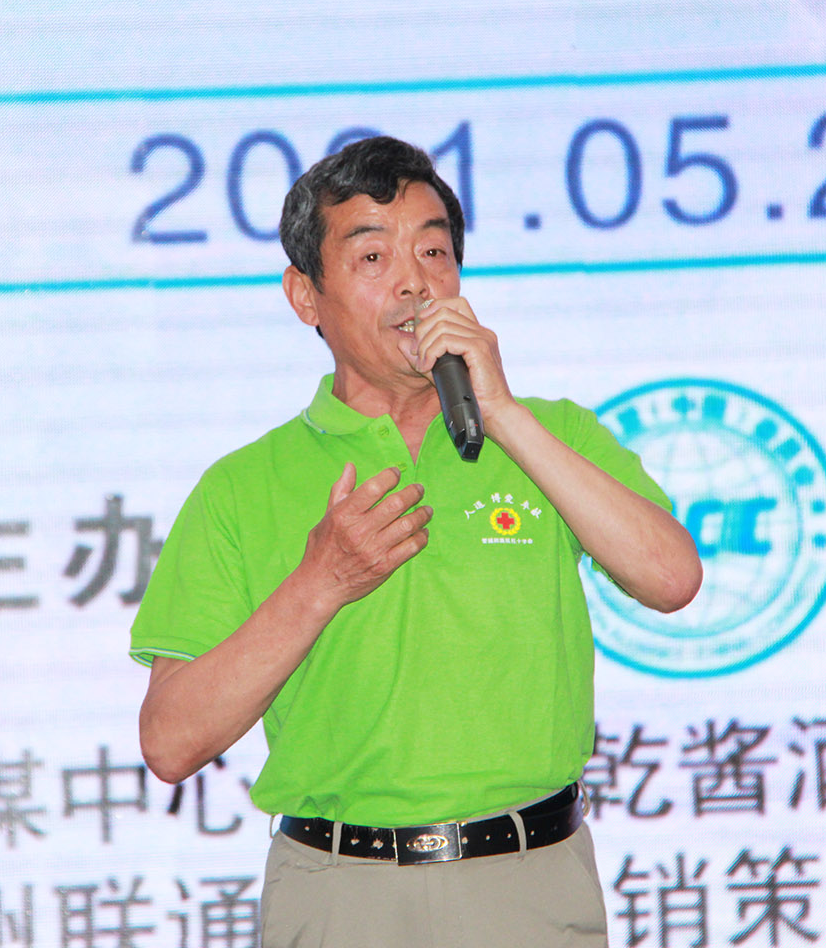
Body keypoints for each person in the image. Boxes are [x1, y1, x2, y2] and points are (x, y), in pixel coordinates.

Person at [130, 136, 702, 948]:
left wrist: (503, 415)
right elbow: (170, 741)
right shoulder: (242, 487)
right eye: (373, 257)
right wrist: (321, 581)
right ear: (305, 295)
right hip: (339, 893)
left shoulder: (553, 434)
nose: (413, 281)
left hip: (529, 880)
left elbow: (672, 578)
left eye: (433, 251)